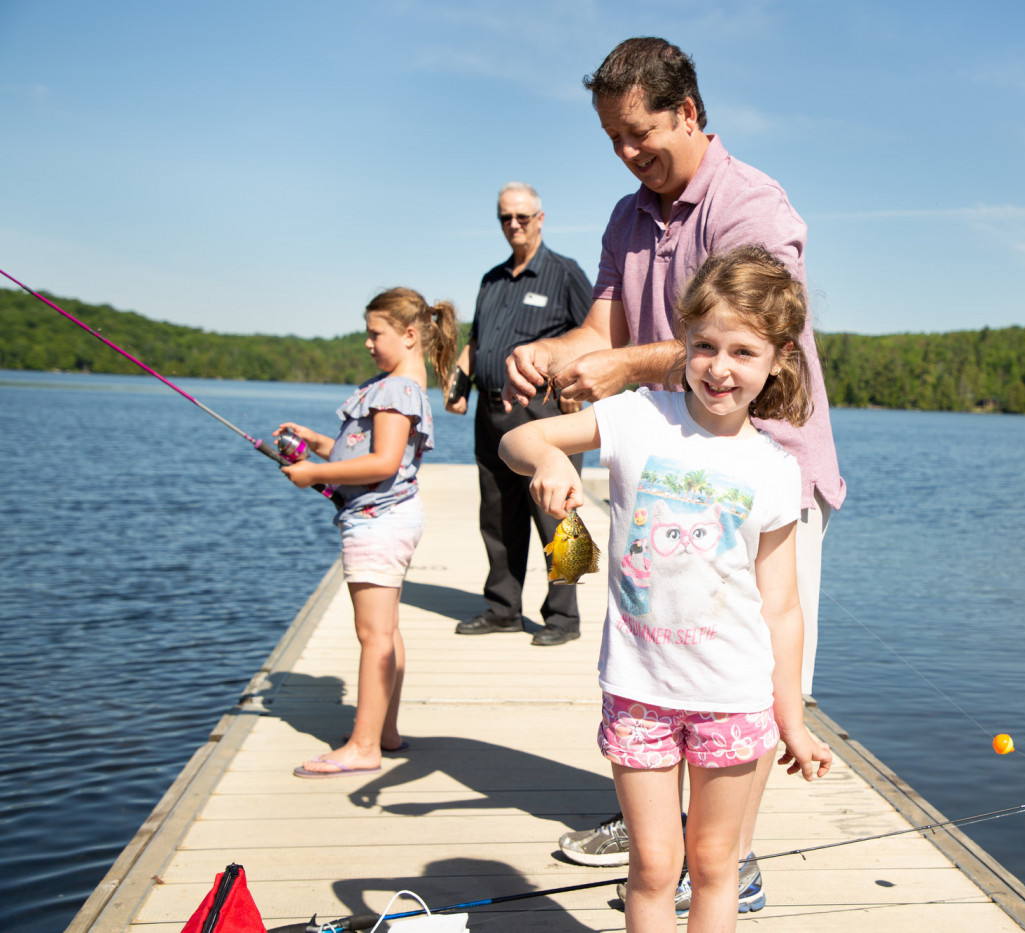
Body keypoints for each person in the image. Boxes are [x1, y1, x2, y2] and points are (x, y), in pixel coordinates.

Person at [502, 36, 845, 904]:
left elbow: (734, 336)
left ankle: (734, 853)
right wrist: (548, 351)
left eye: (640, 133)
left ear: (688, 112)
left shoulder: (752, 207)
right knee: (669, 625)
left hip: (761, 462)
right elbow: (603, 335)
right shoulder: (627, 216)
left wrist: (626, 368)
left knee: (752, 648)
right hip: (668, 453)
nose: (627, 153)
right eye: (614, 139)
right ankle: (666, 828)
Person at [280, 287, 458, 777]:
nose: (367, 343)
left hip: (378, 523)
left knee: (373, 635)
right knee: (387, 631)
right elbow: (366, 452)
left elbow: (381, 463)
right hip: (387, 518)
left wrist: (312, 475)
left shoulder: (397, 390)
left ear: (407, 335)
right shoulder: (397, 385)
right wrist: (317, 444)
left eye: (374, 333)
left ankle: (364, 746)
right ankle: (385, 731)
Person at [448, 182, 593, 646]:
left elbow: (594, 338)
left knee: (559, 517)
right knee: (497, 516)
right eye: (505, 218)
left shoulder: (565, 273)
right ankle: (502, 608)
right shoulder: (491, 279)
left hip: (544, 416)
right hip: (489, 415)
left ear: (541, 219)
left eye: (522, 217)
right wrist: (459, 384)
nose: (513, 225)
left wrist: (576, 392)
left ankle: (563, 618)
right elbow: (477, 342)